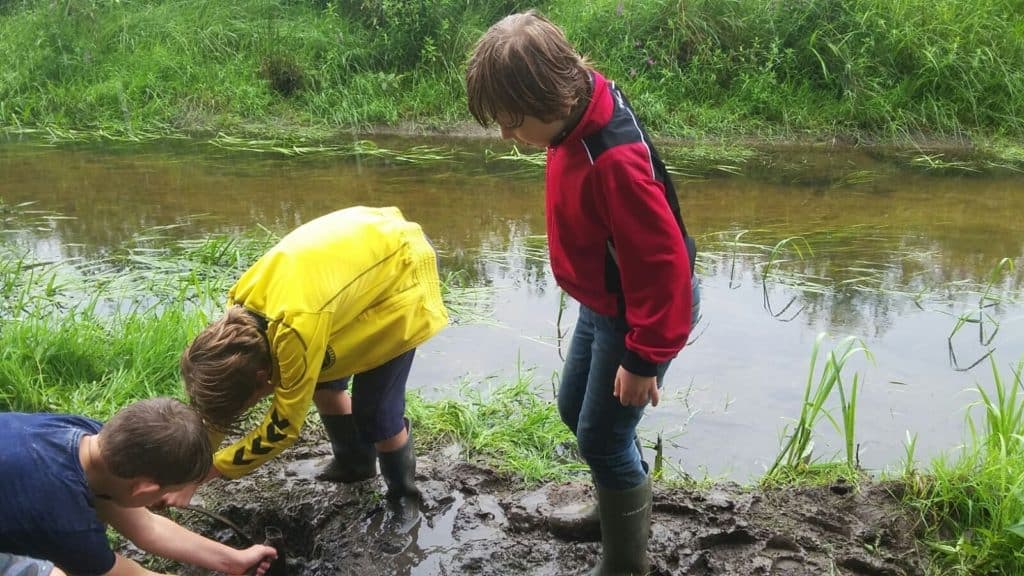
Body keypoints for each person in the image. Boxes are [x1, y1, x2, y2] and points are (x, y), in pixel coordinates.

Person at [467, 10, 701, 575]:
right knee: (577, 411)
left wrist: (643, 358)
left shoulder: (613, 160)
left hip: (643, 315)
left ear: (548, 96)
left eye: (511, 120)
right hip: (607, 302)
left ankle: (626, 564)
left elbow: (663, 267)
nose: (505, 135)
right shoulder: (577, 109)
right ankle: (616, 506)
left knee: (603, 436)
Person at [165, 206, 449, 526]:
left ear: (262, 379)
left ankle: (404, 497)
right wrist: (190, 469)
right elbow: (217, 416)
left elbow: (283, 427)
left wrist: (210, 473)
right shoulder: (241, 314)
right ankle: (354, 464)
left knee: (378, 413)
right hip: (361, 256)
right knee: (323, 382)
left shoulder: (295, 332)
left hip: (401, 271)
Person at [0, 397, 277, 576]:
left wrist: (233, 560)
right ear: (144, 490)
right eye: (165, 492)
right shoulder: (64, 516)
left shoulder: (90, 437)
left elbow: (148, 528)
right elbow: (122, 575)